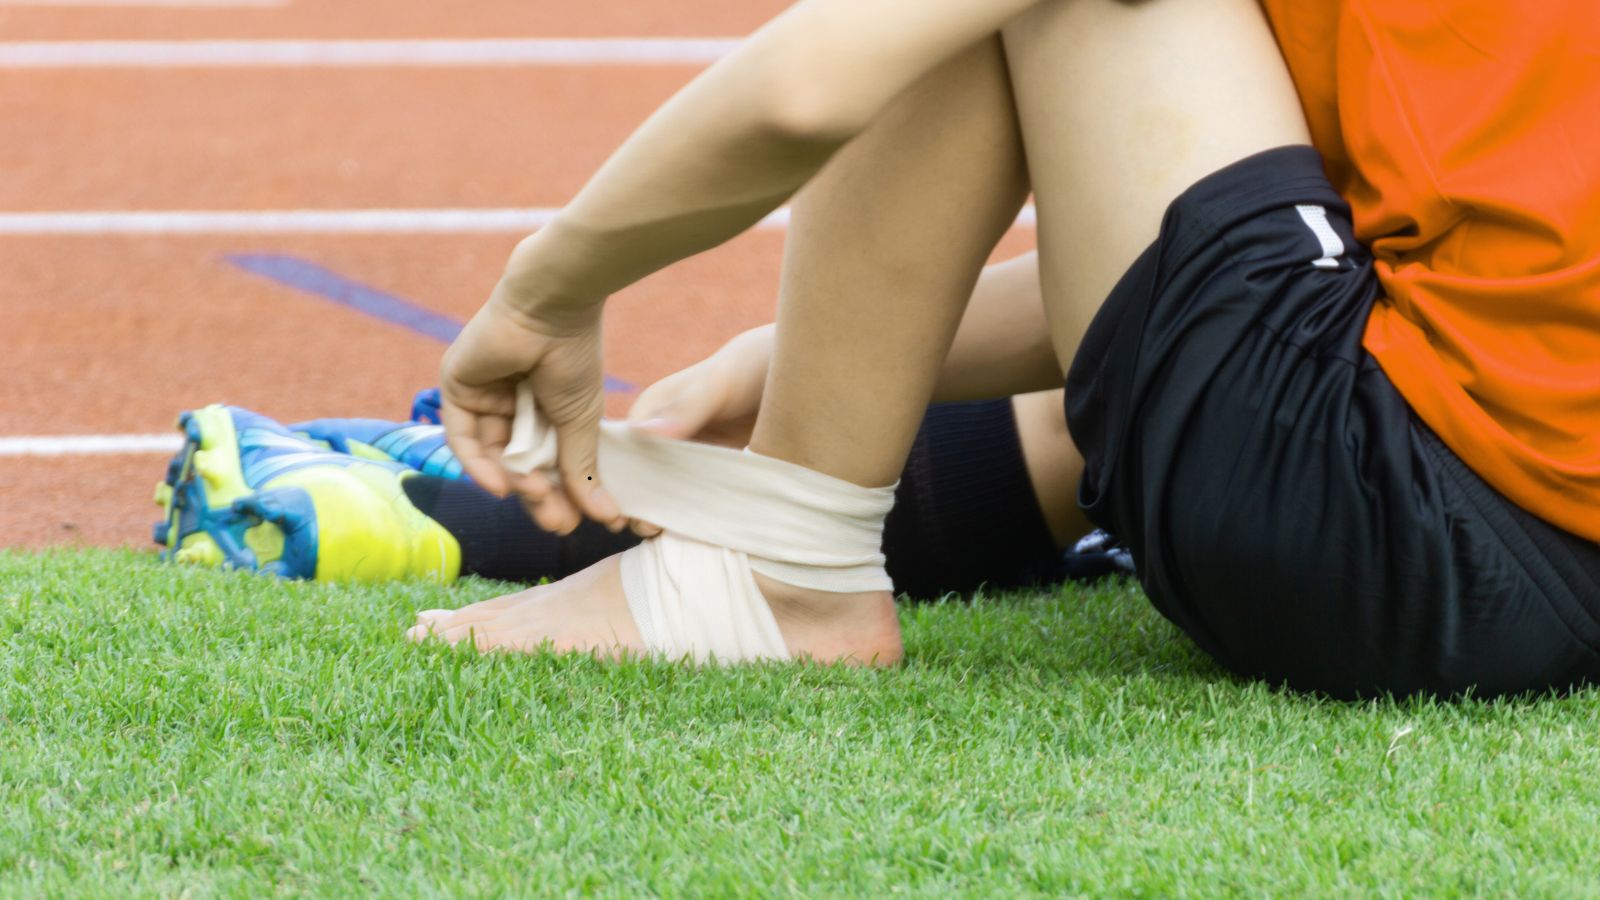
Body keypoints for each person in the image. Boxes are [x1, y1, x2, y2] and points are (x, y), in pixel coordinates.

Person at [171, 0, 1600, 698]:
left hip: (1390, 539)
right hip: (1559, 559)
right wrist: (800, 354)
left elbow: (813, 85)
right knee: (1079, 432)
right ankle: (505, 512)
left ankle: (786, 574)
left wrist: (547, 289)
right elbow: (1254, 271)